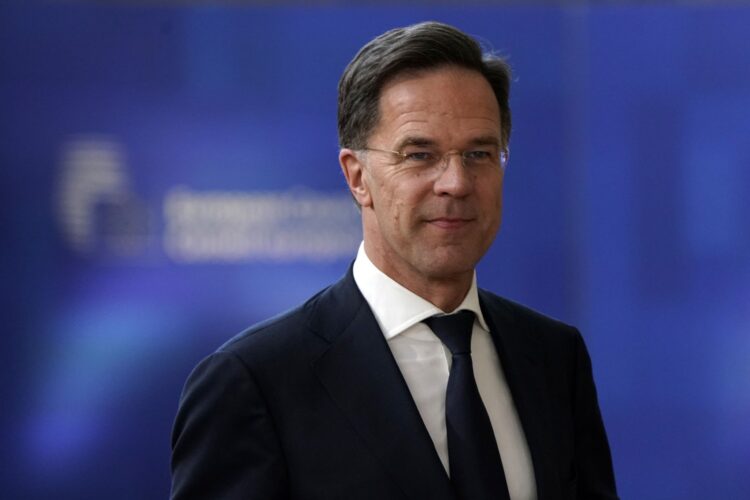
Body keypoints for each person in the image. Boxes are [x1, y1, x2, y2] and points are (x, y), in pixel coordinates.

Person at [170, 21, 618, 500]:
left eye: (479, 153)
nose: (456, 182)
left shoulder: (553, 357)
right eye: (420, 154)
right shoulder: (254, 382)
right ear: (357, 176)